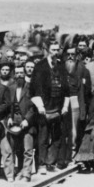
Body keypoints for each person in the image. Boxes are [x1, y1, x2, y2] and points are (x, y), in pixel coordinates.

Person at [30, 42, 71, 174]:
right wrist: (40, 106)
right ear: (47, 50)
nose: (55, 52)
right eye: (52, 50)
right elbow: (34, 89)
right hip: (44, 107)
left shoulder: (61, 66)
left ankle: (50, 162)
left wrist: (65, 105)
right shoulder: (40, 66)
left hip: (57, 108)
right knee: (43, 137)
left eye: (57, 50)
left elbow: (66, 88)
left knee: (56, 137)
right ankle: (41, 164)